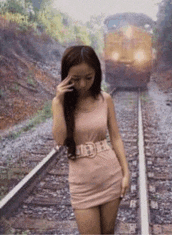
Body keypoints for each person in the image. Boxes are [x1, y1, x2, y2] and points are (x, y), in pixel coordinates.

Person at [52, 45, 130, 234]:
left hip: (110, 176)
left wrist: (126, 173)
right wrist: (58, 102)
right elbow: (61, 140)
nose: (82, 85)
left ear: (96, 73)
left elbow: (116, 138)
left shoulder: (106, 99)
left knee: (108, 232)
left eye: (88, 77)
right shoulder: (61, 104)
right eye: (75, 79)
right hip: (82, 183)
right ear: (66, 76)